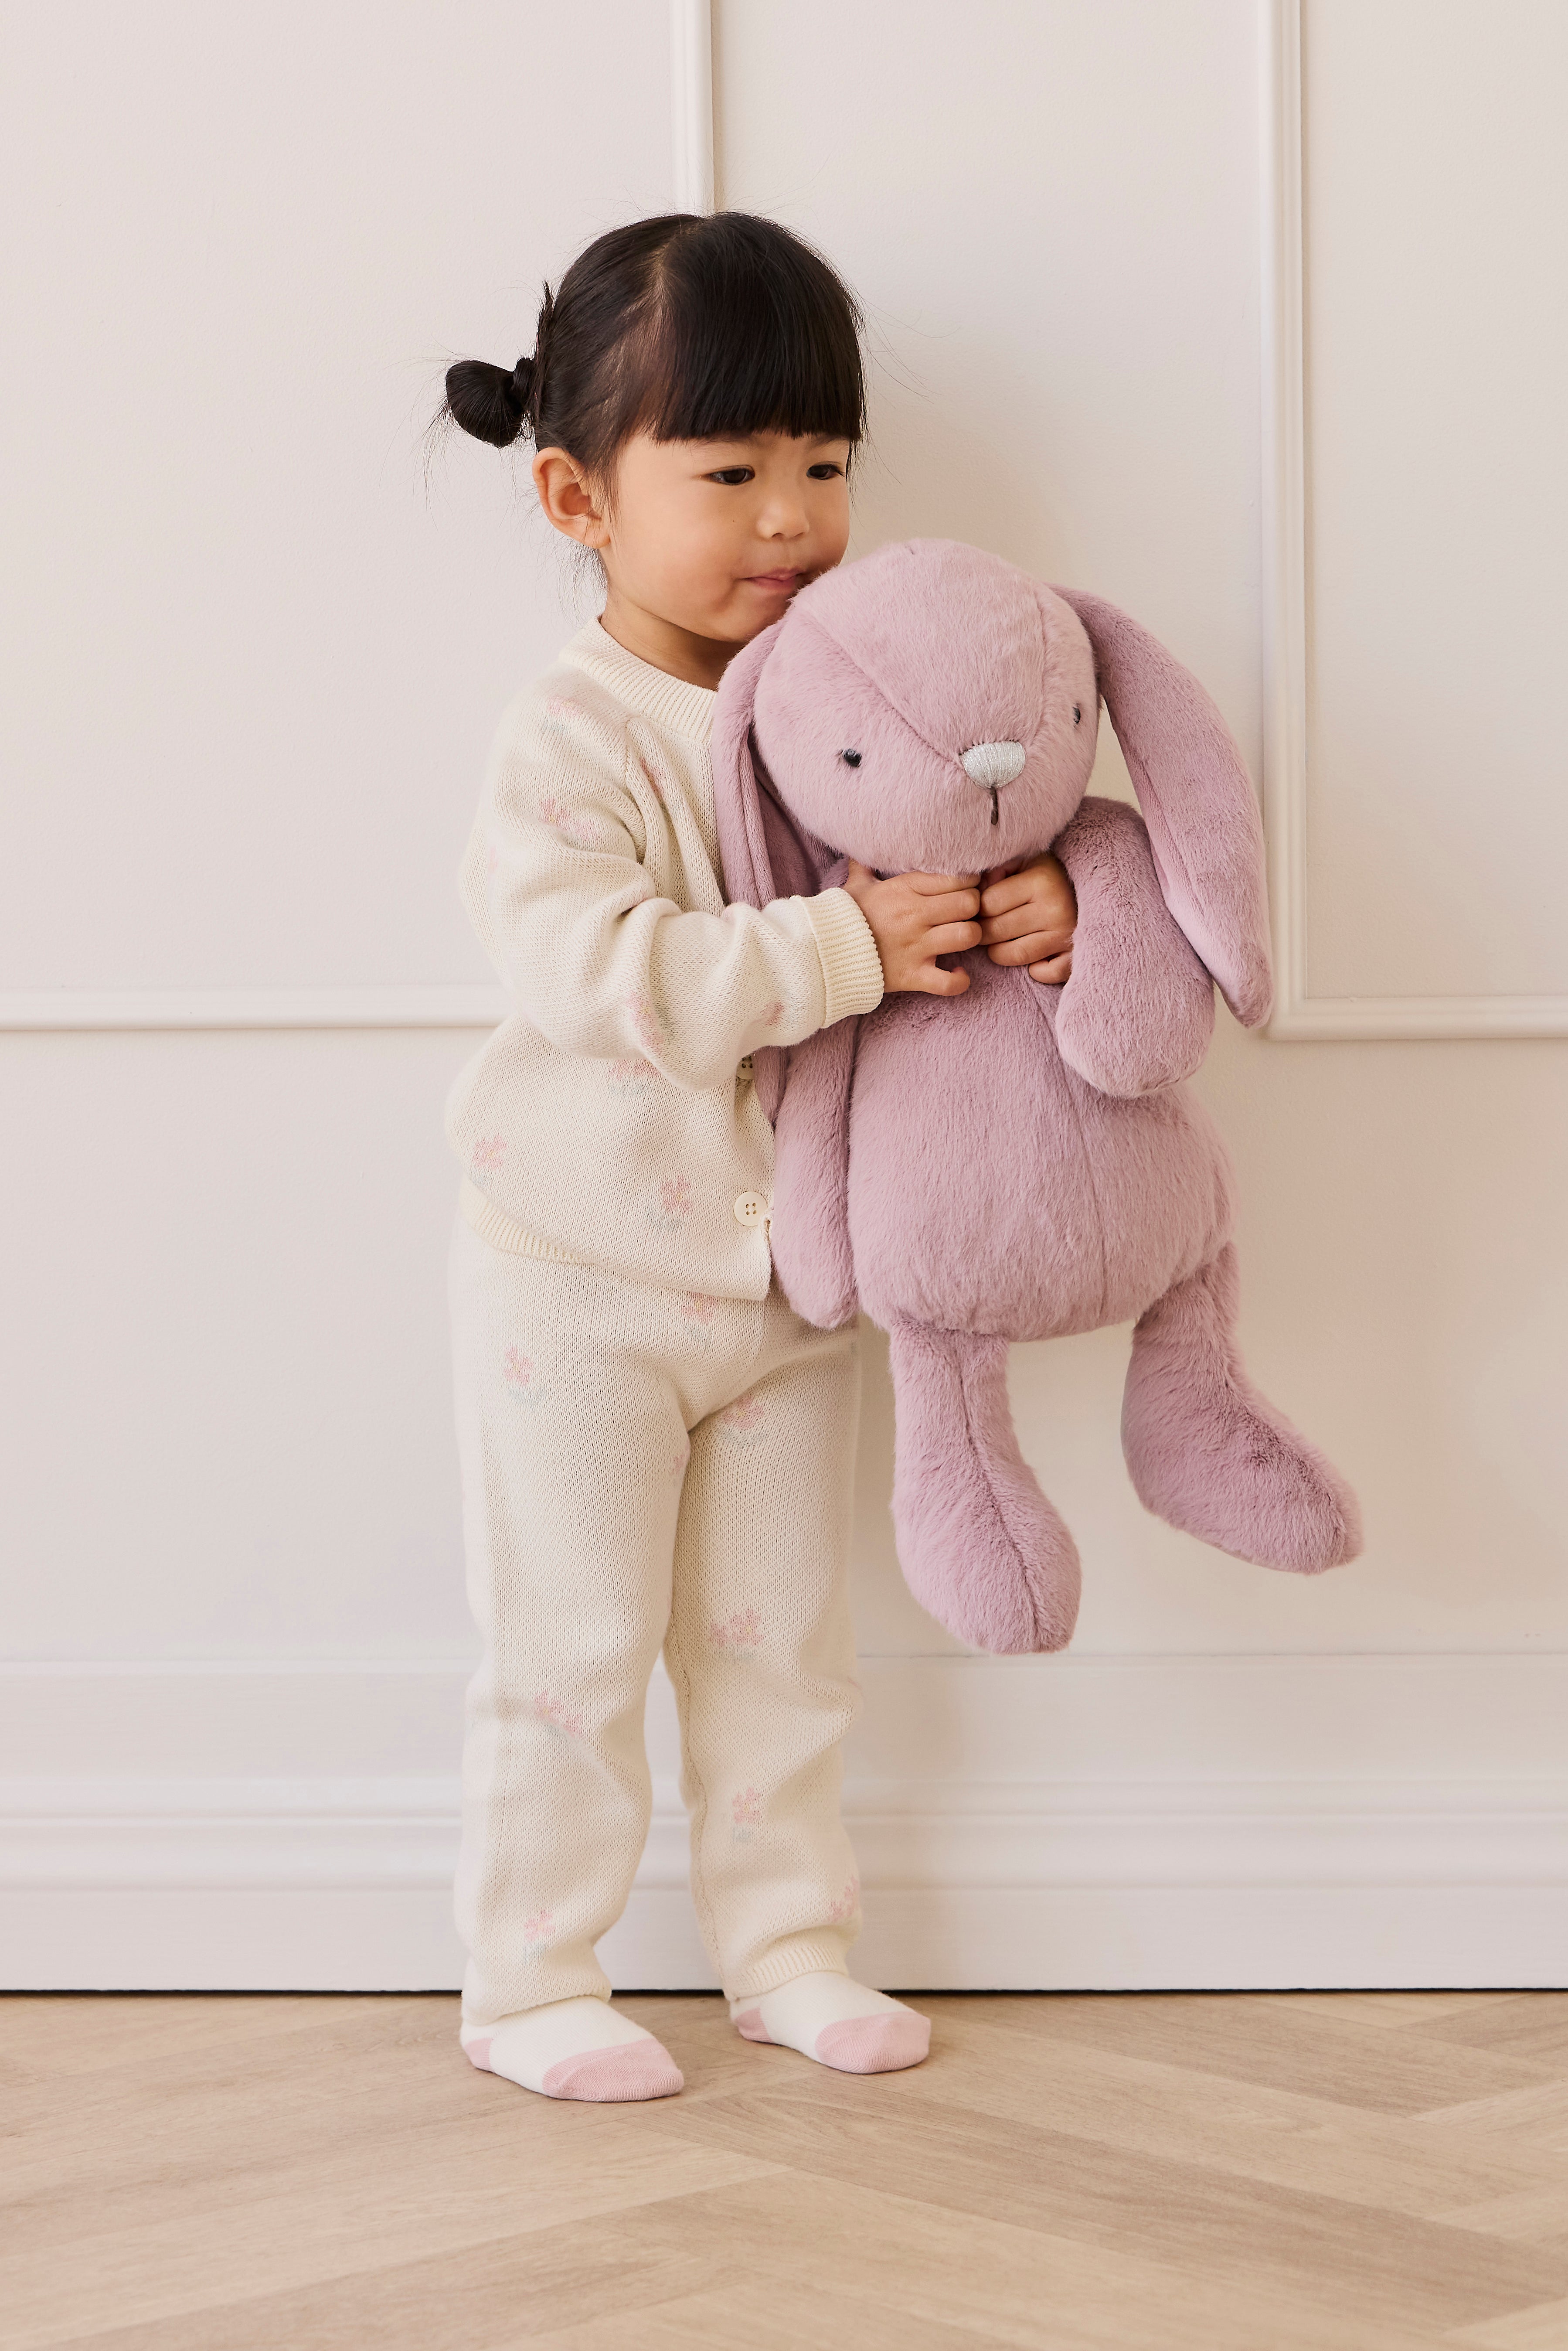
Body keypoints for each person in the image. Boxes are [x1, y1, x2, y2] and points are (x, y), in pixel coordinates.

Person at [439, 211, 1077, 2103]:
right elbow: (588, 969)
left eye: (823, 466)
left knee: (782, 1651)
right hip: (579, 1271)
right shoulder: (571, 732)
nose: (791, 516)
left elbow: (958, 866)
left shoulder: (853, 711)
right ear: (578, 495)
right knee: (567, 1645)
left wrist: (1031, 904)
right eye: (731, 473)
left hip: (795, 1275)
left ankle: (789, 1947)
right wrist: (839, 946)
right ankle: (531, 1972)